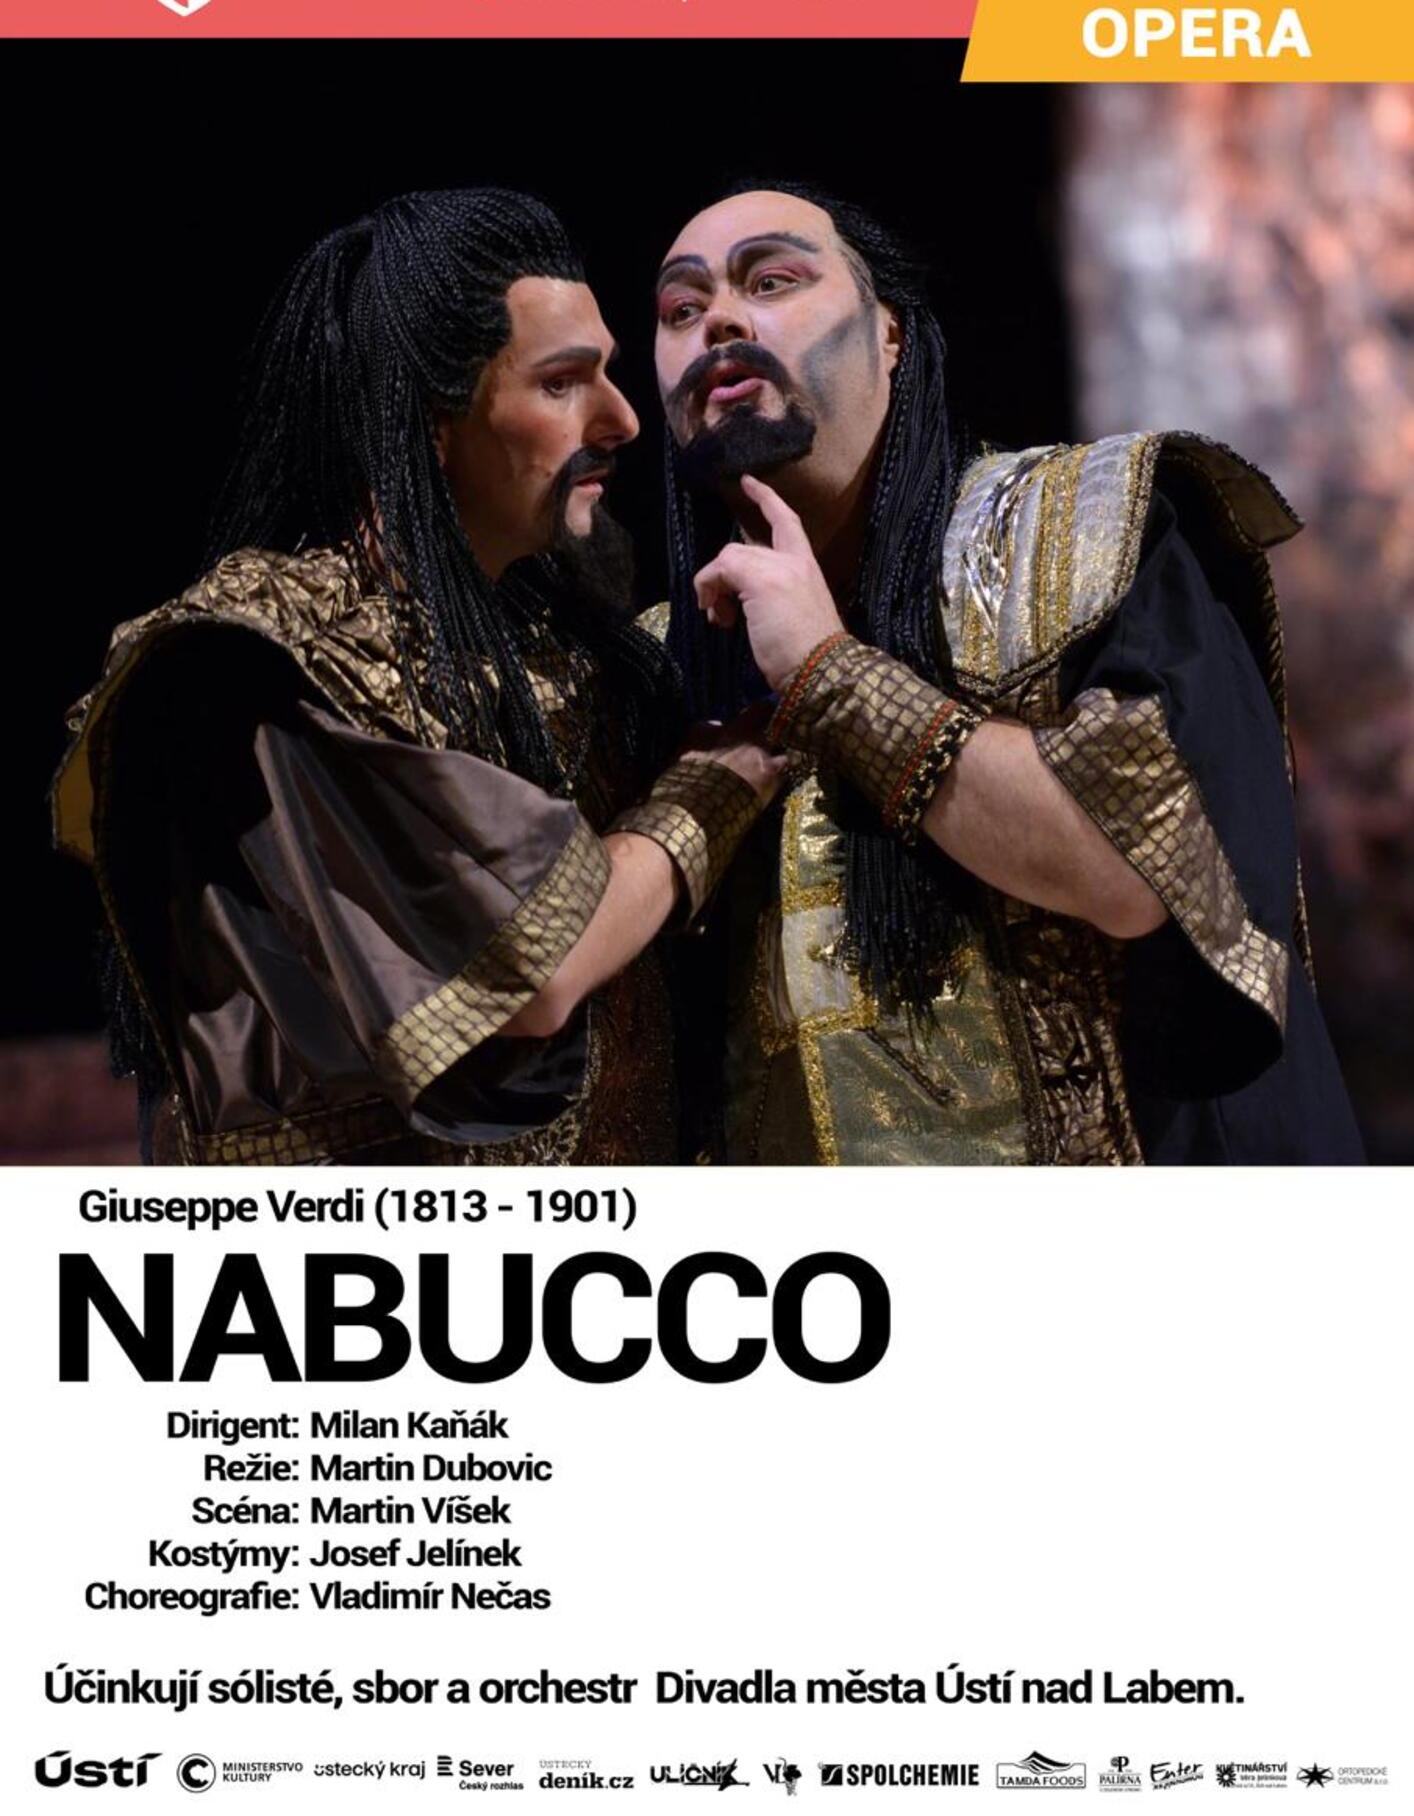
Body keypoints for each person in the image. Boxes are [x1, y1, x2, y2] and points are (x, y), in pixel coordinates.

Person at [53, 189, 778, 1167]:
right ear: (431, 420)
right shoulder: (267, 662)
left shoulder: (565, 650)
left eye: (608, 372)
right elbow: (533, 966)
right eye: (563, 382)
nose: (620, 419)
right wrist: (711, 790)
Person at [652, 182, 1364, 1165]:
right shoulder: (660, 660)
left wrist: (830, 674)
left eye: (770, 280)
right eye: (680, 309)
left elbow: (1136, 873)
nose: (719, 320)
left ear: (890, 334)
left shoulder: (1081, 531)